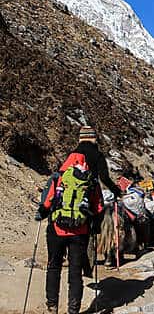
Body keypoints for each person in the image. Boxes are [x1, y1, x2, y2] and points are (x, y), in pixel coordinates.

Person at [35, 126, 119, 314]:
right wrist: (96, 227)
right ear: (94, 139)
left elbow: (47, 201)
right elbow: (98, 207)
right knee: (75, 272)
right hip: (80, 231)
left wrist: (41, 213)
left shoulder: (61, 175)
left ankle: (52, 305)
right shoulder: (91, 180)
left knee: (54, 266)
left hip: (57, 229)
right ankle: (74, 310)